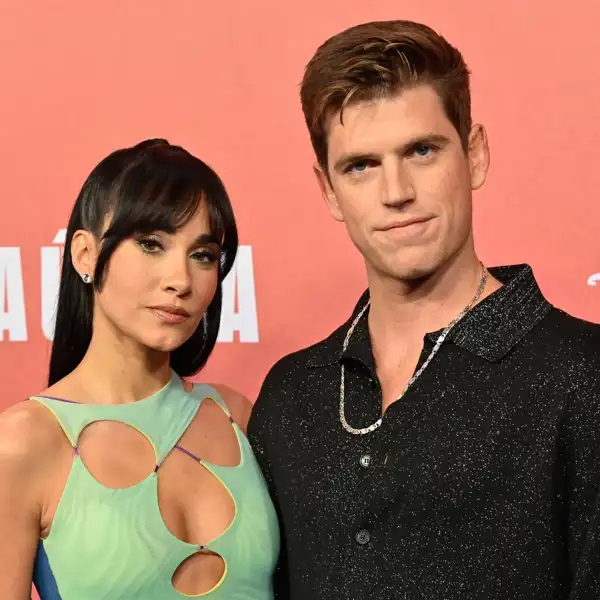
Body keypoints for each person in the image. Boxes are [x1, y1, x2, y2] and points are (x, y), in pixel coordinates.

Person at [248, 19, 600, 600]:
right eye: (360, 165)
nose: (396, 191)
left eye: (421, 150)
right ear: (329, 191)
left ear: (475, 155)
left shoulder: (579, 374)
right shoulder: (293, 396)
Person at [0, 139, 280, 599]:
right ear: (85, 254)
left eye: (203, 255)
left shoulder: (238, 416)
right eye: (151, 244)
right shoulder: (25, 442)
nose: (181, 281)